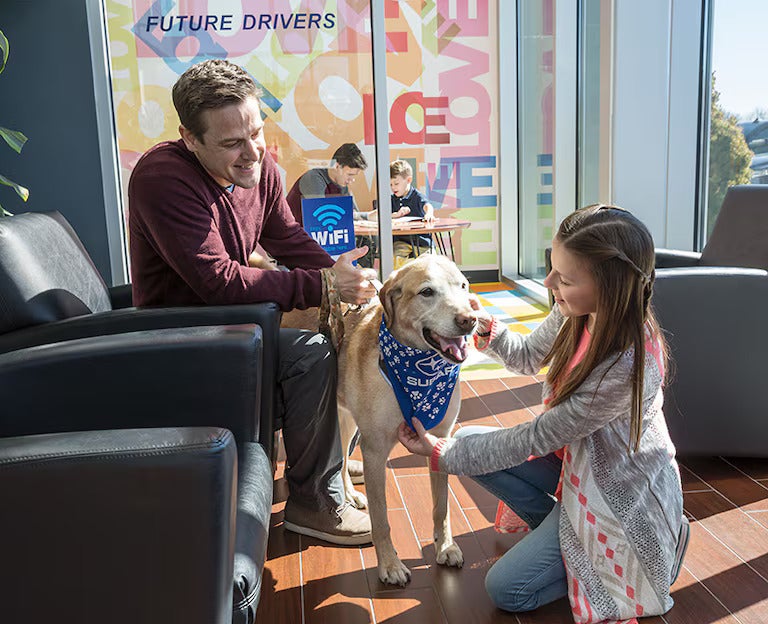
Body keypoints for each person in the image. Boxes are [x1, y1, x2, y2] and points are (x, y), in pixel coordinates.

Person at [128, 59, 378, 545]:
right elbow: (219, 281)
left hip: (233, 325)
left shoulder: (258, 169)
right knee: (311, 351)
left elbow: (286, 237)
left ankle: (327, 463)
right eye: (231, 142)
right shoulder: (163, 178)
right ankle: (315, 502)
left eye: (256, 132)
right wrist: (326, 286)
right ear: (189, 137)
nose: (251, 153)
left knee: (336, 317)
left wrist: (340, 274)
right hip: (182, 340)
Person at [397, 205, 689, 621]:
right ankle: (563, 531)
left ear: (608, 286)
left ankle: (630, 555)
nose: (550, 283)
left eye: (564, 279)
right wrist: (484, 327)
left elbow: (537, 437)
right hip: (577, 469)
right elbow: (530, 355)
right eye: (553, 270)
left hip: (618, 498)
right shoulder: (576, 311)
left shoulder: (623, 366)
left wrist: (441, 455)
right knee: (465, 444)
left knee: (505, 590)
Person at [285, 142, 371, 225]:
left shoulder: (341, 184)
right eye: (349, 175)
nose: (352, 180)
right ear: (337, 166)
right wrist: (364, 216)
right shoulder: (313, 179)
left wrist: (368, 216)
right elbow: (321, 215)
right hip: (294, 236)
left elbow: (351, 213)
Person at [389, 159, 435, 263]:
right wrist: (395, 215)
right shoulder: (392, 200)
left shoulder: (417, 196)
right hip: (401, 242)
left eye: (396, 183)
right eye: (390, 184)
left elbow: (428, 206)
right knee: (395, 258)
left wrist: (429, 214)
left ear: (409, 180)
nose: (393, 187)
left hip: (422, 241)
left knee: (431, 261)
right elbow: (383, 216)